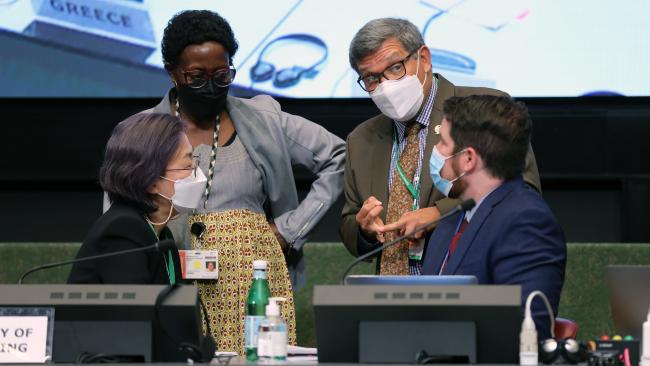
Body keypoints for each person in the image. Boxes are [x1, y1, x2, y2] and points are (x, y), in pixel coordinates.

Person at [137, 10, 345, 354]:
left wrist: (290, 229)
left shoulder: (262, 117)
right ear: (173, 73)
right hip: (172, 280)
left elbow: (338, 157)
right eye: (196, 77)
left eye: (222, 75)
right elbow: (121, 220)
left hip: (255, 282)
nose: (211, 87)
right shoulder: (143, 131)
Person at [340, 18, 541, 275]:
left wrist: (439, 214)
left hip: (464, 289)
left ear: (423, 58)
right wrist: (365, 229)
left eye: (395, 68)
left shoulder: (483, 108)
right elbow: (349, 223)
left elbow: (524, 191)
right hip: (387, 297)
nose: (385, 86)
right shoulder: (361, 140)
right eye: (371, 78)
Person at [421, 94, 566, 339]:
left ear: (468, 159)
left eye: (442, 143)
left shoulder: (526, 221)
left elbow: (525, 330)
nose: (434, 152)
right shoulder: (453, 219)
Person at [69, 113, 203, 284]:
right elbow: (134, 310)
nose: (196, 173)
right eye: (187, 166)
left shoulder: (162, 235)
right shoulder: (123, 230)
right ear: (151, 181)